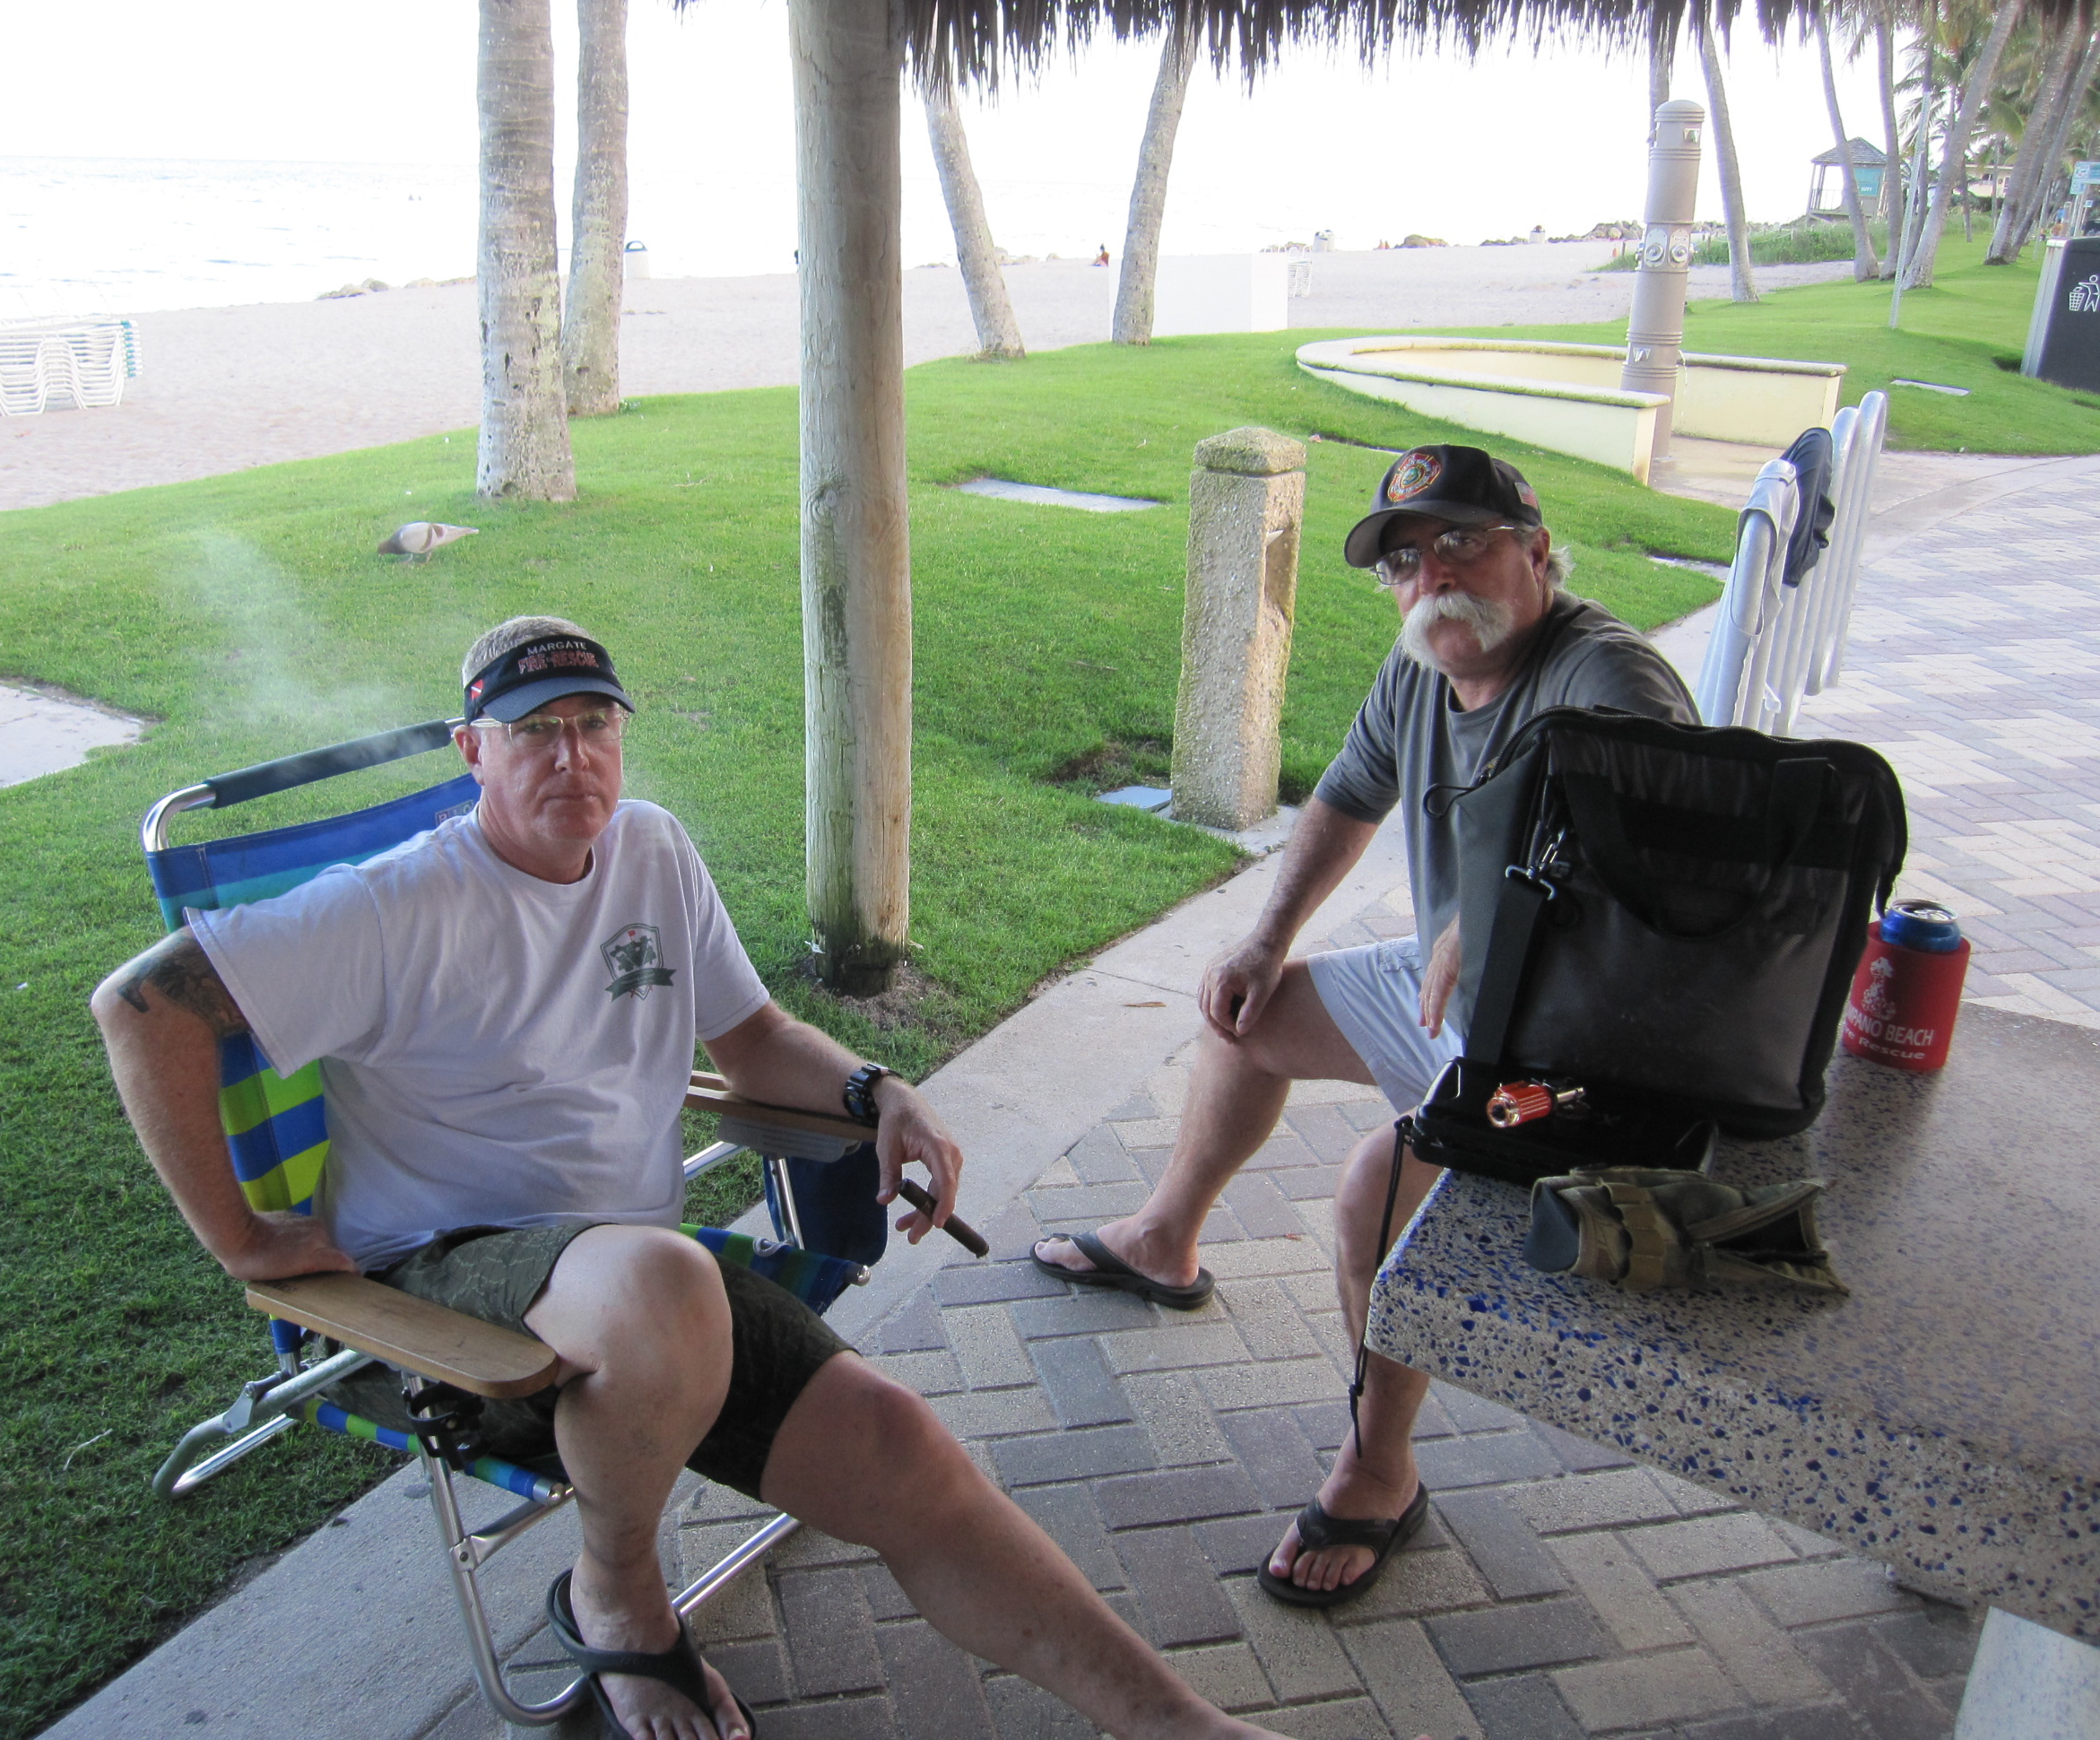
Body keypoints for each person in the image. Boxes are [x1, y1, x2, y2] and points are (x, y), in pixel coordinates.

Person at [93, 617, 1295, 1740]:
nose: (573, 757)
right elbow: (141, 1008)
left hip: (647, 1320)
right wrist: (244, 1240)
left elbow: (754, 1038)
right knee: (667, 1281)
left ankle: (1188, 1727)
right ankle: (618, 1594)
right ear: (472, 751)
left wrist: (879, 1092)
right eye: (533, 731)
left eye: (594, 723)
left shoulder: (650, 849)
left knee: (904, 1448)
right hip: (446, 1305)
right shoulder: (398, 904)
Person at [1032, 448, 1698, 1609]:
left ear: (1538, 553)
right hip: (1456, 1006)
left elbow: (1665, 858)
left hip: (1571, 1068)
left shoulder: (1608, 679)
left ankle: (1379, 1470)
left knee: (1369, 1193)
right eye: (1405, 559)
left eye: (1462, 542)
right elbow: (1349, 791)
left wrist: (1500, 917)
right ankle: (1162, 1241)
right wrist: (1264, 938)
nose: (1432, 575)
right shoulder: (1423, 663)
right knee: (1246, 1015)